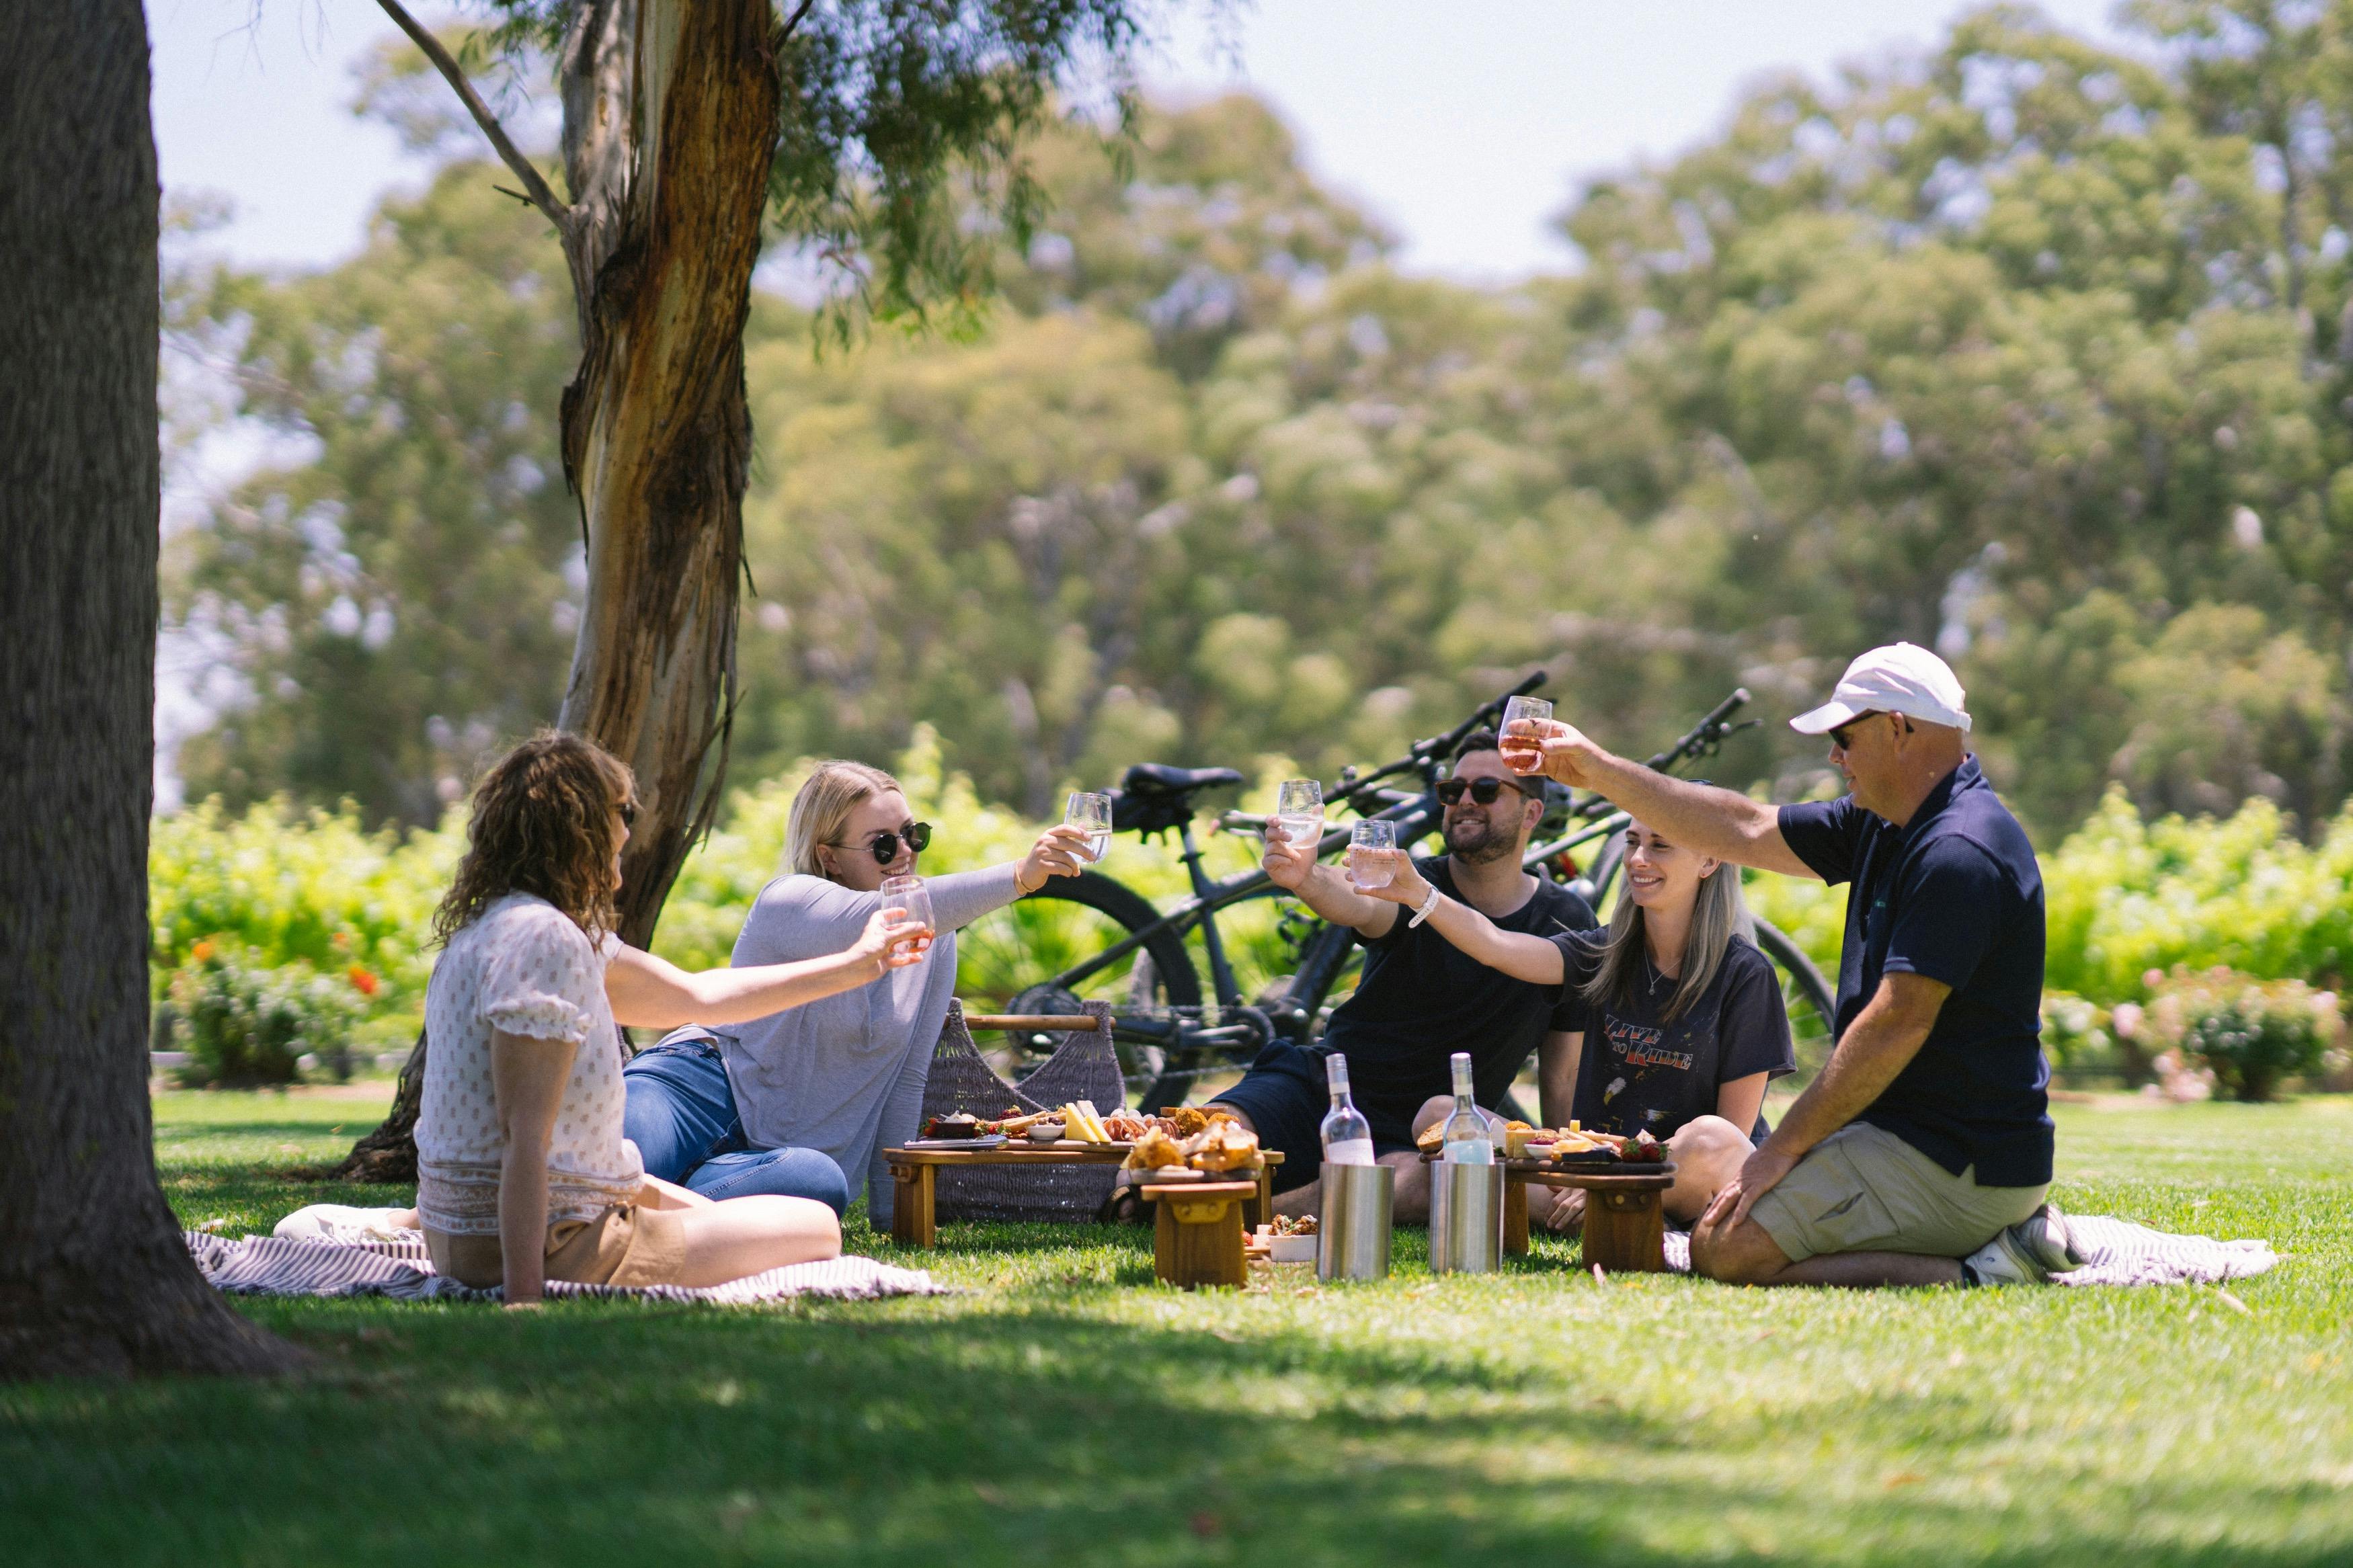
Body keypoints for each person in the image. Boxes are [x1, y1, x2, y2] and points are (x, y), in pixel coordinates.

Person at [1523, 643, 2074, 1287]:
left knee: (1724, 1247)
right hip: (1909, 1142)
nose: (1835, 757)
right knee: (1720, 1232)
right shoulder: (1888, 823)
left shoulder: (1959, 850)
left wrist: (1779, 1150)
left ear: (1898, 729)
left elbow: (1895, 1025)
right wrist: (1599, 771)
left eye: (1844, 737)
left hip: (1959, 1163)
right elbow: (1743, 826)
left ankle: (1982, 1268)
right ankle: (2002, 1243)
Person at [415, 733, 926, 1304]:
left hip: (471, 1234)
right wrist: (524, 1299)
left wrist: (857, 965)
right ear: (579, 828)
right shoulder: (547, 941)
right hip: (559, 1240)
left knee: (768, 1210)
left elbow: (699, 994)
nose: (629, 830)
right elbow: (524, 1137)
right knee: (816, 1228)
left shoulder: (493, 931)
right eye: (622, 812)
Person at [631, 761, 1088, 1229]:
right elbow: (877, 916)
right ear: (829, 857)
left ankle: (643, 1210)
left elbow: (905, 1082)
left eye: (912, 834)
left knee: (820, 1185)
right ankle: (630, 1205)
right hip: (695, 1088)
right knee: (610, 1164)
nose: (905, 852)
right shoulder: (790, 900)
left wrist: (894, 1218)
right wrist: (1021, 875)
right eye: (883, 844)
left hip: (771, 1155)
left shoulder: (936, 940)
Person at [1205, 731, 1597, 1221]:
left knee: (1419, 1184)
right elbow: (1359, 901)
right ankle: (1149, 1193)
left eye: (1486, 790)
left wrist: (1568, 1172)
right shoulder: (1414, 883)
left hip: (1421, 1133)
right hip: (1324, 1089)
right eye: (1452, 790)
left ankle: (1235, 1213)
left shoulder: (1567, 919)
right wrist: (1307, 878)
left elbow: (1562, 1072)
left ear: (1532, 812)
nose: (1465, 802)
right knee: (1212, 1130)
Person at [1354, 813, 1795, 1231]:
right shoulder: (1604, 952)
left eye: (1660, 845)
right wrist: (1420, 893)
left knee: (1711, 1138)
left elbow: (1734, 1138)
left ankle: (1603, 1204)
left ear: (1709, 860)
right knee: (1441, 1115)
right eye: (1633, 842)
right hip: (1587, 1170)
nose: (1638, 859)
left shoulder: (1745, 974)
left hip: (1682, 1175)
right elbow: (1496, 946)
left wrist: (1618, 1174)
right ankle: (1610, 1211)